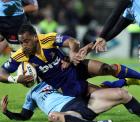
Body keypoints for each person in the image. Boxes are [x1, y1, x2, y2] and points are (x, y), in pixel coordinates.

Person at [0, 24, 140, 98]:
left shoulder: (47, 39)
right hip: (65, 84)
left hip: (74, 67)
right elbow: (2, 72)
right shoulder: (20, 55)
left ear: (35, 38)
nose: (24, 45)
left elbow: (72, 41)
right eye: (21, 42)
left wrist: (72, 53)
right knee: (103, 94)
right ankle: (124, 82)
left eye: (26, 41)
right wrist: (15, 79)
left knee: (106, 68)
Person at [1, 81, 140, 122]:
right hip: (69, 113)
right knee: (53, 116)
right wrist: (6, 112)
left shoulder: (54, 78)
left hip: (85, 103)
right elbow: (24, 116)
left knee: (121, 94)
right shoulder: (31, 94)